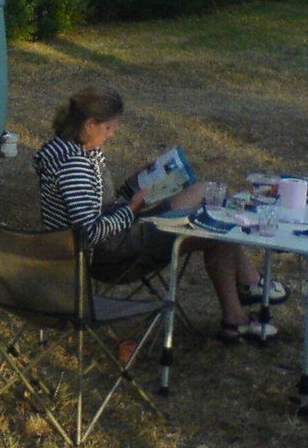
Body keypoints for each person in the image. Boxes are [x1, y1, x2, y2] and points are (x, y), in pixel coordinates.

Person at [34, 83, 282, 343]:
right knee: (217, 232)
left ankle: (248, 291)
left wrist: (134, 184)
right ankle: (241, 308)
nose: (113, 134)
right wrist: (133, 209)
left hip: (116, 237)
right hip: (109, 255)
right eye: (109, 127)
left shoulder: (69, 149)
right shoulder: (74, 166)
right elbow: (91, 233)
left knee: (205, 190)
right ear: (90, 124)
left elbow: (98, 206)